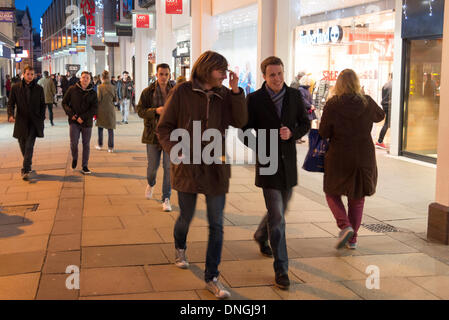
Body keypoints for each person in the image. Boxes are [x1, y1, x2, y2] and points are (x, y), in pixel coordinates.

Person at [156, 51, 247, 299]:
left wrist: (237, 91)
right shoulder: (183, 92)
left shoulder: (225, 94)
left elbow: (240, 121)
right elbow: (163, 128)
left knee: (216, 224)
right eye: (221, 69)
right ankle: (180, 247)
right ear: (208, 69)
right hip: (188, 165)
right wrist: (175, 151)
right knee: (185, 216)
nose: (225, 74)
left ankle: (212, 277)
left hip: (216, 167)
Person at [242, 56, 310, 290]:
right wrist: (262, 146)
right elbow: (244, 131)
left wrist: (292, 133)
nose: (277, 78)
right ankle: (282, 270)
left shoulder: (294, 96)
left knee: (280, 210)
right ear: (264, 76)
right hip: (268, 163)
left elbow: (305, 123)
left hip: (288, 164)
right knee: (278, 217)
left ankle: (261, 234)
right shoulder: (254, 99)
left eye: (280, 73)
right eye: (272, 75)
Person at [319, 69, 385, 250]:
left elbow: (323, 132)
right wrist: (364, 98)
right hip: (363, 156)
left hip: (339, 156)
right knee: (357, 198)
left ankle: (345, 225)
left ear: (338, 84)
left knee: (331, 192)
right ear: (357, 83)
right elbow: (380, 116)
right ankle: (353, 239)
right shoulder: (367, 102)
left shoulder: (333, 104)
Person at [137, 64, 176, 212]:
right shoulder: (148, 92)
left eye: (166, 74)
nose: (164, 77)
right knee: (152, 168)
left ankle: (166, 198)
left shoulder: (175, 91)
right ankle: (151, 183)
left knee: (168, 167)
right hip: (153, 134)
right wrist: (155, 111)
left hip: (171, 136)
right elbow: (140, 110)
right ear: (156, 75)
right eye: (161, 74)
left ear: (170, 75)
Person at [7, 66, 46, 180]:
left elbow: (42, 105)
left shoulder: (39, 88)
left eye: (32, 74)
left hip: (34, 122)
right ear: (23, 74)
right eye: (28, 74)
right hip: (21, 121)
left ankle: (25, 169)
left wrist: (41, 117)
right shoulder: (15, 88)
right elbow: (11, 103)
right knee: (23, 145)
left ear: (34, 75)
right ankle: (28, 164)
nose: (30, 76)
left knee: (29, 145)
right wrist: (10, 115)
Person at [62, 71, 98, 175]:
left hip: (86, 123)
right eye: (83, 77)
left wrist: (83, 117)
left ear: (90, 80)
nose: (85, 79)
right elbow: (64, 103)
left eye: (87, 78)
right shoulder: (72, 89)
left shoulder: (93, 93)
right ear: (80, 78)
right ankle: (75, 157)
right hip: (74, 121)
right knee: (74, 143)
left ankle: (85, 166)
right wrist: (71, 114)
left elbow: (94, 108)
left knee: (86, 144)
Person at [96, 70, 117, 153]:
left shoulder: (100, 87)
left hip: (101, 110)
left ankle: (100, 145)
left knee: (100, 128)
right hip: (110, 110)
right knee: (110, 129)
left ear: (102, 78)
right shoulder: (113, 87)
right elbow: (116, 99)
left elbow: (98, 99)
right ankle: (110, 148)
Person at [376, 73, 393, 150]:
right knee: (387, 123)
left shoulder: (386, 84)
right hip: (391, 106)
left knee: (388, 123)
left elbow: (383, 97)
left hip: (385, 105)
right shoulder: (395, 85)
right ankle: (380, 141)